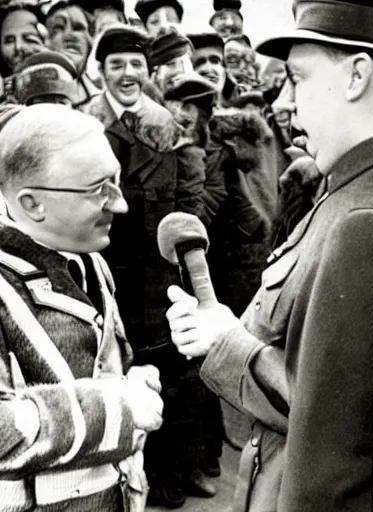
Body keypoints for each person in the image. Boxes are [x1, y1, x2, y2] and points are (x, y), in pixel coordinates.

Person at [167, 0, 373, 510]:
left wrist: (226, 341)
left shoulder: (370, 218)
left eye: (298, 78)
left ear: (356, 75)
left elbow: (331, 457)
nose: (286, 101)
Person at [0, 103, 163, 511]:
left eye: (117, 182)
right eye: (98, 189)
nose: (120, 204)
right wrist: (121, 408)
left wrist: (128, 380)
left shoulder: (89, 259)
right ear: (32, 203)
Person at [81, 24, 210, 509]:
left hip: (159, 275)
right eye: (117, 65)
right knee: (116, 373)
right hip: (104, 272)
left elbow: (191, 199)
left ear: (148, 69)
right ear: (101, 72)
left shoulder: (170, 126)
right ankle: (121, 474)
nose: (128, 74)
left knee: (174, 374)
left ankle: (173, 472)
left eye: (136, 64)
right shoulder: (84, 123)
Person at [45, 0, 102, 108]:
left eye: (78, 28)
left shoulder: (107, 102)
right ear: (45, 41)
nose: (69, 35)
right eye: (59, 28)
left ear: (90, 40)